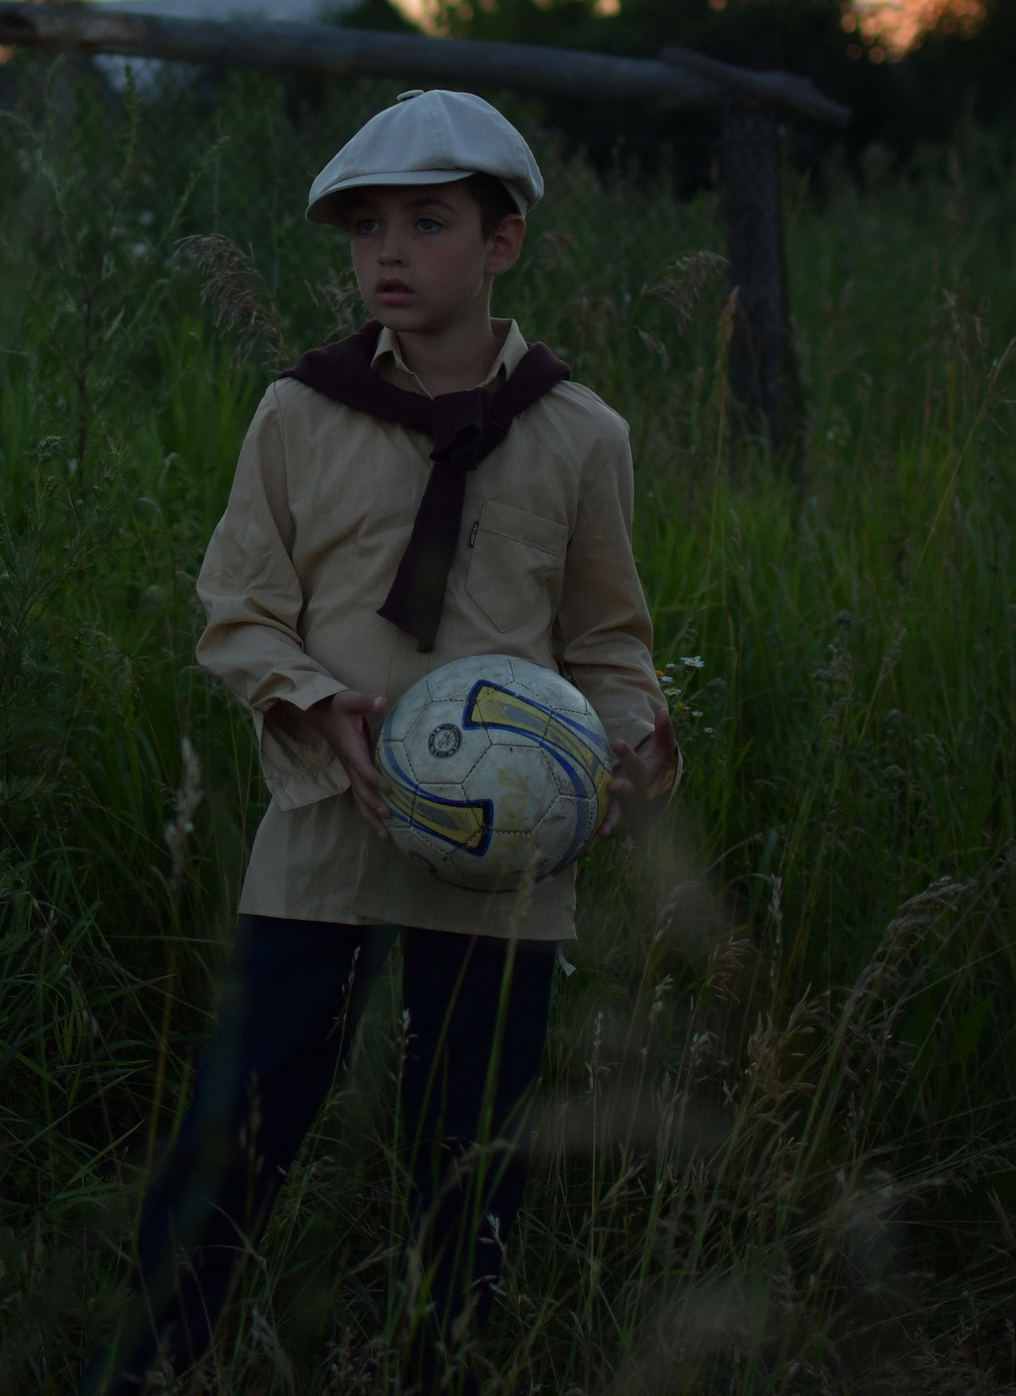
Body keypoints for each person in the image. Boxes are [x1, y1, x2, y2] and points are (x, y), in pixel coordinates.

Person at [83, 90, 680, 1393]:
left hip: (507, 857)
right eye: (365, 229)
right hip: (325, 827)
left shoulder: (582, 437)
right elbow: (236, 613)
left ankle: (444, 1364)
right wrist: (315, 701)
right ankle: (150, 1369)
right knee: (233, 1135)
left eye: (428, 222)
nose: (387, 254)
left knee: (468, 1161)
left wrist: (631, 738)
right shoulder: (301, 414)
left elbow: (610, 641)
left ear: (503, 242)